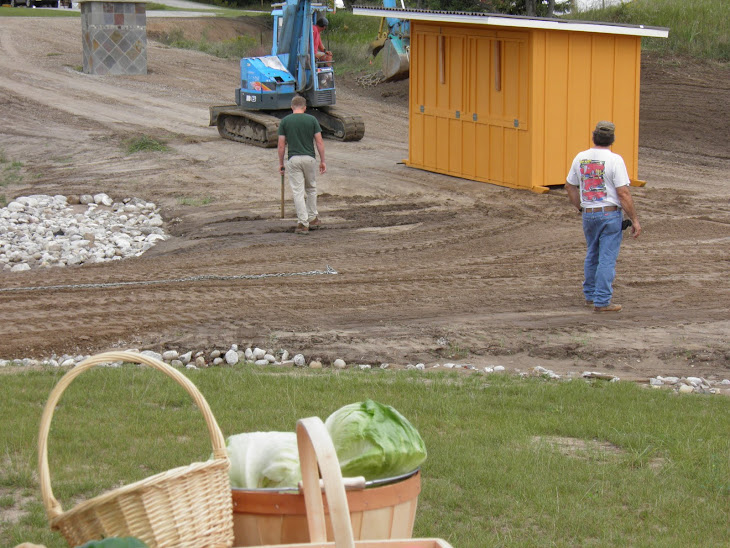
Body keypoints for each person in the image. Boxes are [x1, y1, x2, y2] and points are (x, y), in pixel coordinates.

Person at [565, 121, 642, 313]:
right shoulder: (615, 160)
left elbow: (569, 186)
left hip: (589, 214)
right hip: (609, 214)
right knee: (607, 258)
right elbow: (623, 193)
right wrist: (634, 219)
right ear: (612, 139)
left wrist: (581, 207)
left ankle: (590, 295)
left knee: (592, 254)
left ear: (594, 136)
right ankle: (602, 300)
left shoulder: (580, 158)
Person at [277, 95, 326, 235]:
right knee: (311, 188)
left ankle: (303, 223)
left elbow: (281, 145)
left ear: (292, 107)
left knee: (298, 191)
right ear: (304, 107)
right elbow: (319, 142)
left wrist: (281, 164)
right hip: (309, 158)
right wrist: (323, 161)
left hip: (293, 159)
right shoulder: (312, 120)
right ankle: (312, 217)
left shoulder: (285, 121)